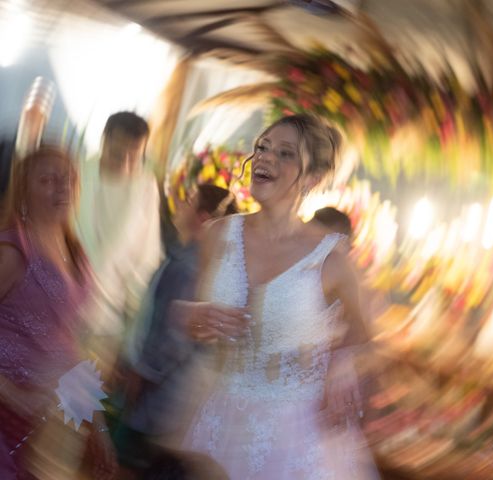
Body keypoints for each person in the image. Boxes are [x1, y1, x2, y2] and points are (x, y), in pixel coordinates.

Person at [179, 114, 379, 478]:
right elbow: (198, 324)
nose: (266, 158)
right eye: (263, 148)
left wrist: (341, 364)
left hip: (297, 439)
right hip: (220, 422)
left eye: (286, 154)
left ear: (312, 179)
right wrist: (194, 319)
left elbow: (363, 334)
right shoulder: (216, 236)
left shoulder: (330, 259)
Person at [0, 146, 117, 479]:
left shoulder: (74, 249)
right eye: (48, 180)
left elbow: (71, 343)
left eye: (68, 179)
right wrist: (15, 397)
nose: (62, 188)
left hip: (49, 421)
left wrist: (98, 425)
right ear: (25, 189)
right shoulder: (12, 250)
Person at [112, 185, 237, 475]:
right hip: (173, 402)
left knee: (126, 468)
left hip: (160, 402)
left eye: (190, 200)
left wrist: (139, 374)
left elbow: (171, 338)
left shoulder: (188, 266)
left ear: (203, 218)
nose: (181, 204)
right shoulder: (203, 264)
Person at [75, 112, 162, 370]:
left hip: (109, 317)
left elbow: (148, 253)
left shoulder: (146, 186)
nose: (125, 161)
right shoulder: (75, 173)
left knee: (83, 403)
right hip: (58, 306)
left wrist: (137, 321)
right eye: (117, 152)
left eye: (134, 155)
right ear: (104, 141)